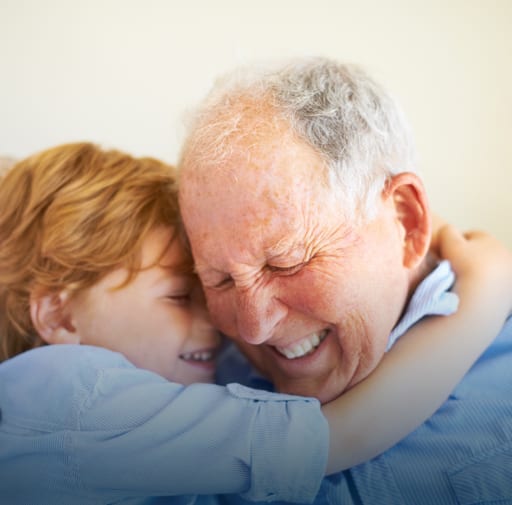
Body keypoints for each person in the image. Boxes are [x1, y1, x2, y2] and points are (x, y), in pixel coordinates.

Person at [0, 144, 509, 504]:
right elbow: (336, 440)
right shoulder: (66, 392)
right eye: (179, 296)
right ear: (59, 315)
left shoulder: (159, 376)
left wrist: (417, 227)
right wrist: (482, 296)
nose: (225, 325)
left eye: (210, 288)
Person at [178, 58, 512, 504]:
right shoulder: (188, 390)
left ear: (406, 221)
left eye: (285, 263)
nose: (253, 327)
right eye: (218, 280)